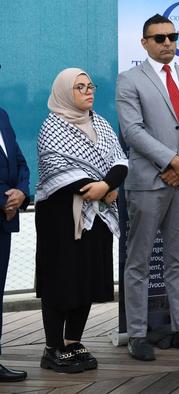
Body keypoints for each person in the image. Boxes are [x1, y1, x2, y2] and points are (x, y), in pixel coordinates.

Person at [116, 14, 179, 361]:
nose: (168, 43)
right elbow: (132, 131)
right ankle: (137, 335)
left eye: (172, 36)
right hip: (147, 183)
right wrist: (173, 162)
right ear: (144, 43)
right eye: (159, 38)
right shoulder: (129, 80)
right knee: (138, 262)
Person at [35, 68, 128, 373]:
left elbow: (119, 160)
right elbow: (55, 168)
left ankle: (73, 342)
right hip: (60, 218)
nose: (88, 91)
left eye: (90, 86)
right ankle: (52, 349)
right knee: (60, 279)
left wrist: (107, 185)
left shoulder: (99, 123)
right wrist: (103, 188)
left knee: (86, 278)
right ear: (64, 92)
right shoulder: (52, 127)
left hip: (96, 217)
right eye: (80, 87)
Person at [0, 106, 29, 382]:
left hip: (3, 222)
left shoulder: (3, 114)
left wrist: (22, 192)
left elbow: (19, 161)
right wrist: (5, 199)